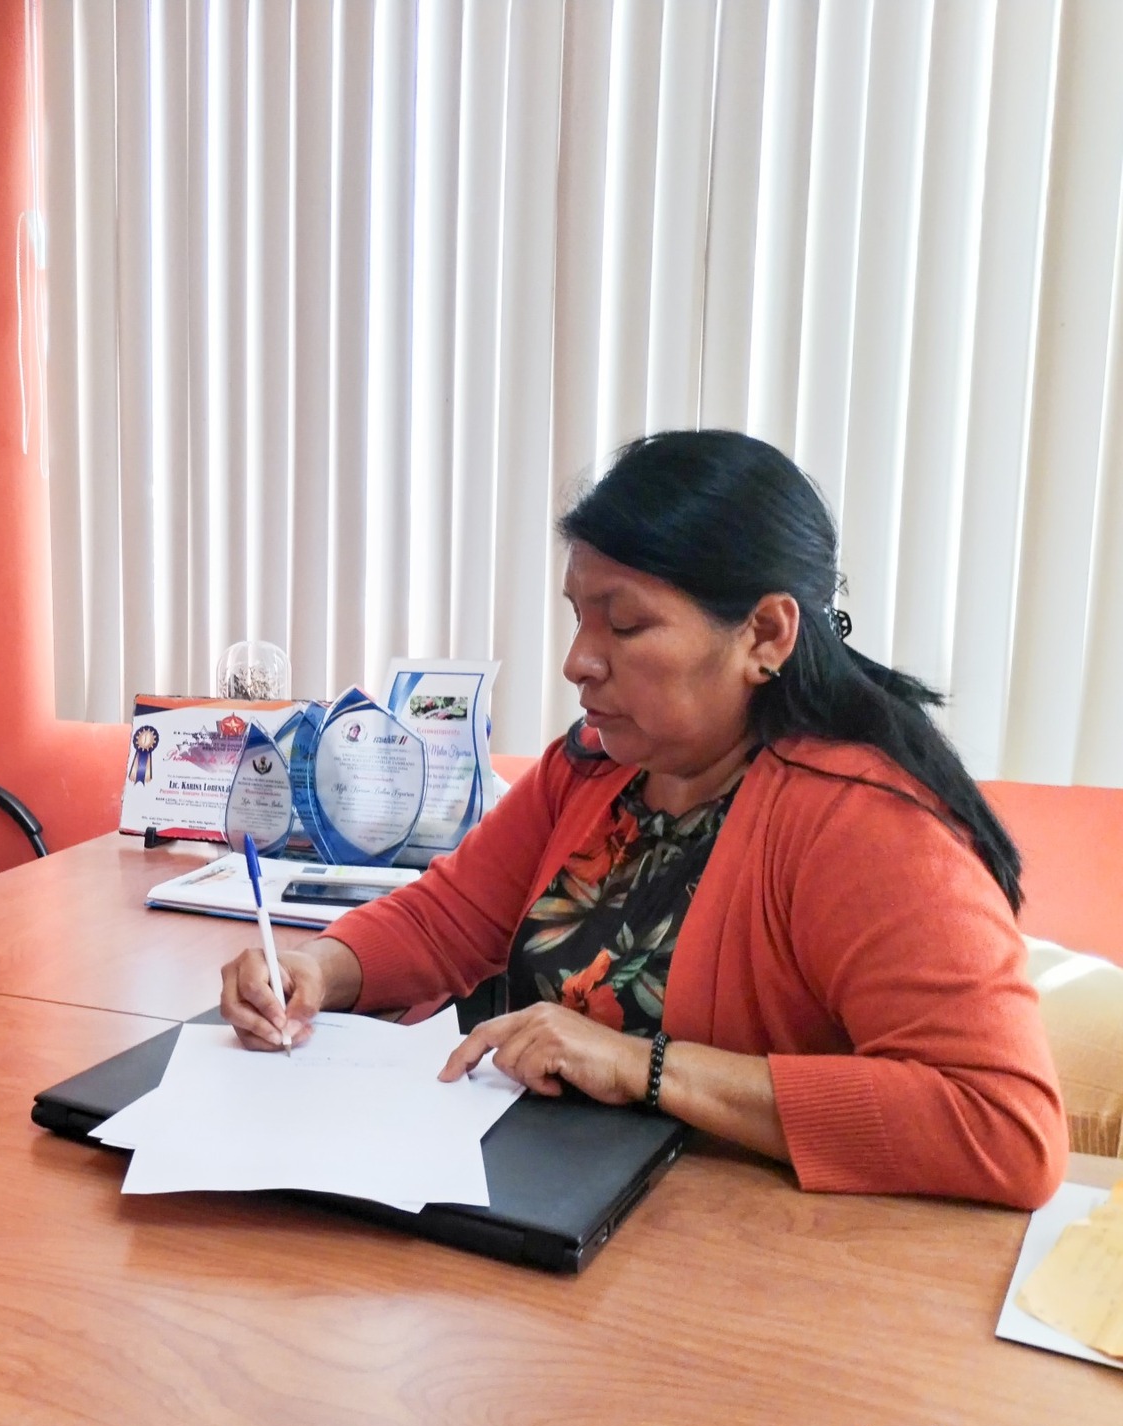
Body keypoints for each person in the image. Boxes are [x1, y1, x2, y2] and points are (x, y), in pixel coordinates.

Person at [220, 429, 1068, 1211]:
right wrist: (317, 968)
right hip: (538, 1204)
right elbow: (449, 919)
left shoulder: (863, 821)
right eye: (579, 617)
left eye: (625, 624)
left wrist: (645, 1068)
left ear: (766, 634)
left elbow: (1006, 1125)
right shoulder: (596, 765)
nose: (577, 661)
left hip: (733, 1250)